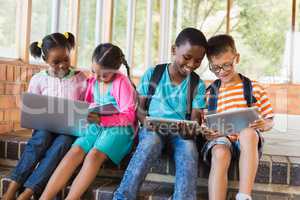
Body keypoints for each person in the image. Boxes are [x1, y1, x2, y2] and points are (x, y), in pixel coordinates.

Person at [113, 27, 208, 200]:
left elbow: (195, 117)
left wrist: (192, 128)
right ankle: (123, 196)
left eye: (198, 61)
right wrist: (145, 120)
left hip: (180, 134)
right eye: (187, 57)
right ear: (174, 50)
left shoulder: (197, 84)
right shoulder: (153, 74)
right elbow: (140, 108)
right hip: (152, 129)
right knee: (150, 142)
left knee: (189, 149)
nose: (191, 65)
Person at [40, 43, 137, 200]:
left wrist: (102, 119)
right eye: (94, 72)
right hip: (96, 124)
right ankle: (44, 198)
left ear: (116, 69)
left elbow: (129, 116)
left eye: (104, 75)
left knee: (93, 155)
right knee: (75, 150)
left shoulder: (121, 82)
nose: (97, 78)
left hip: (119, 128)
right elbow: (87, 104)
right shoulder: (93, 82)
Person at [2, 32, 87, 200]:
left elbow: (85, 105)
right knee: (39, 141)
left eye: (66, 59)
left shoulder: (79, 78)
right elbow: (32, 108)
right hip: (44, 127)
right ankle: (12, 188)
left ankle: (28, 192)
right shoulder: (38, 79)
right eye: (56, 62)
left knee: (60, 147)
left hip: (68, 130)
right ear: (45, 61)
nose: (63, 65)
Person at [202, 34, 274, 200]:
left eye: (227, 65)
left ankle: (243, 195)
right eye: (215, 68)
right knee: (219, 152)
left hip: (246, 143)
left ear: (237, 58)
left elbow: (269, 120)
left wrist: (263, 124)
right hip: (221, 139)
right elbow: (205, 124)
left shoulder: (254, 88)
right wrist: (207, 132)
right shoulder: (209, 93)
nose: (222, 72)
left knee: (248, 133)